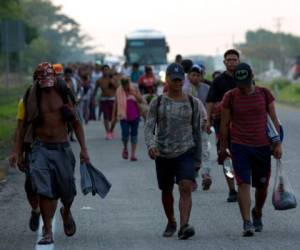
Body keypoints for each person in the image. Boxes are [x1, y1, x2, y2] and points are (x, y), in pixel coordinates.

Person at [15, 62, 90, 245]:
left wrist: (84, 149)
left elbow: (76, 123)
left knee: (68, 191)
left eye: (49, 81)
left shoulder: (63, 92)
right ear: (38, 80)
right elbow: (22, 127)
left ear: (54, 78)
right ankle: (47, 230)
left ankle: (66, 211)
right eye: (43, 82)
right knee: (44, 191)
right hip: (40, 148)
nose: (47, 86)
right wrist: (19, 154)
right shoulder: (32, 95)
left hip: (62, 147)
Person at [219, 62, 282, 237]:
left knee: (262, 186)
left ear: (252, 77)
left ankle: (257, 212)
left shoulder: (264, 94)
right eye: (240, 84)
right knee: (243, 183)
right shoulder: (230, 97)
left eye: (246, 83)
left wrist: (277, 144)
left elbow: (274, 120)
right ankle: (247, 222)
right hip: (240, 147)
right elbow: (224, 124)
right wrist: (223, 148)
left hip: (262, 147)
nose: (243, 87)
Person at [144, 63, 202, 240]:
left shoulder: (192, 103)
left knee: (185, 187)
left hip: (186, 151)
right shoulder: (158, 102)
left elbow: (196, 131)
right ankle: (171, 221)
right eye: (174, 79)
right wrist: (151, 145)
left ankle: (184, 226)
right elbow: (149, 127)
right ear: (167, 80)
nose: (177, 82)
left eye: (180, 79)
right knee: (166, 190)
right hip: (163, 153)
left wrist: (198, 158)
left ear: (183, 80)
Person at [206, 49, 240, 202]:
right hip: (222, 125)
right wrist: (208, 120)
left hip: (242, 124)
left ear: (238, 61)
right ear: (224, 62)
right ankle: (232, 190)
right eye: (229, 60)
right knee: (226, 156)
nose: (232, 62)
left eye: (234, 59)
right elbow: (211, 102)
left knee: (241, 156)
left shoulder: (244, 78)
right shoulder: (218, 81)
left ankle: (242, 186)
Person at [9, 98, 40, 232]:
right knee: (30, 185)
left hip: (54, 147)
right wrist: (17, 152)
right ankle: (36, 210)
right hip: (32, 148)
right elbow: (20, 127)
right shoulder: (26, 101)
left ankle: (61, 215)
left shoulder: (59, 95)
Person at [188, 64, 212, 190]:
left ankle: (206, 175)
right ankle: (192, 178)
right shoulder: (184, 88)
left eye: (198, 75)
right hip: (186, 127)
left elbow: (209, 106)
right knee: (190, 152)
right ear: (188, 76)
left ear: (202, 76)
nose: (196, 77)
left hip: (202, 124)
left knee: (205, 151)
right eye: (193, 75)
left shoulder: (207, 88)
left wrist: (208, 121)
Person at [112, 77, 143, 161]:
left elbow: (141, 100)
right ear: (122, 84)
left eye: (127, 84)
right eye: (124, 84)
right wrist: (114, 115)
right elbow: (116, 103)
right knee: (125, 135)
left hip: (135, 116)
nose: (126, 86)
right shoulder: (119, 91)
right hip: (123, 116)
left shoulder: (134, 88)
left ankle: (133, 154)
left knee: (134, 135)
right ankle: (125, 147)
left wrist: (134, 94)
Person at [94, 65, 118, 139]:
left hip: (113, 99)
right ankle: (108, 132)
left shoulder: (113, 78)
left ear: (109, 70)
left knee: (115, 117)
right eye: (104, 70)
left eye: (107, 70)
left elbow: (118, 87)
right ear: (102, 71)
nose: (105, 71)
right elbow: (95, 90)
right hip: (104, 99)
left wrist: (113, 82)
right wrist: (94, 99)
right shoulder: (99, 80)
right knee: (105, 117)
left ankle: (111, 130)